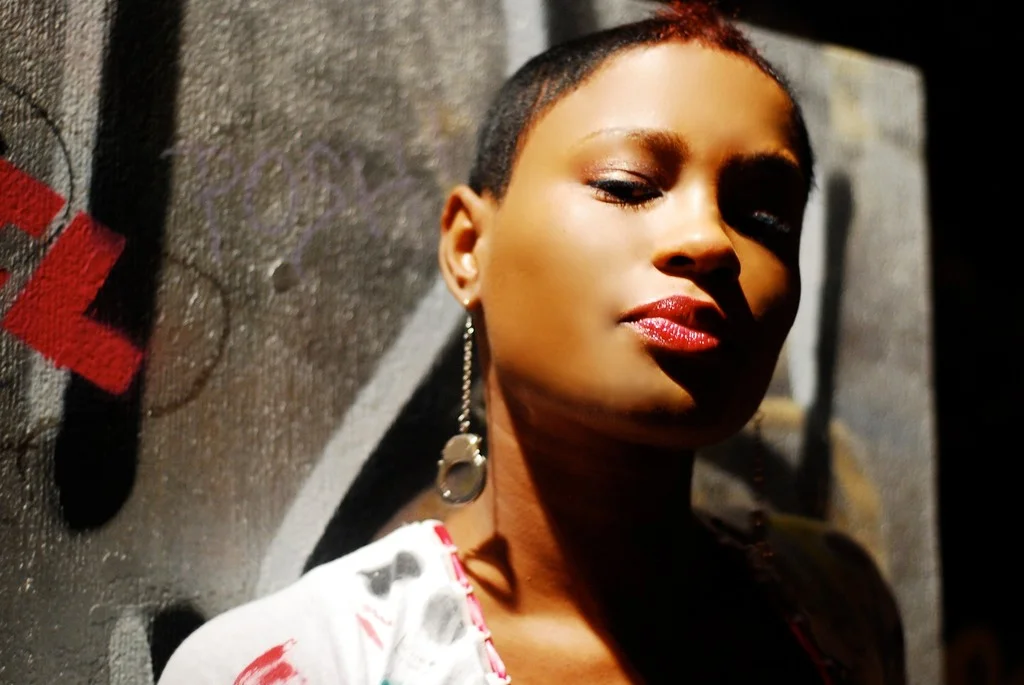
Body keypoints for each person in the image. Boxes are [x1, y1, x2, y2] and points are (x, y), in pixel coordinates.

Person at [159, 3, 905, 683]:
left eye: (765, 219)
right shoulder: (299, 663)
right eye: (627, 185)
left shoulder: (839, 603)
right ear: (468, 246)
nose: (711, 241)